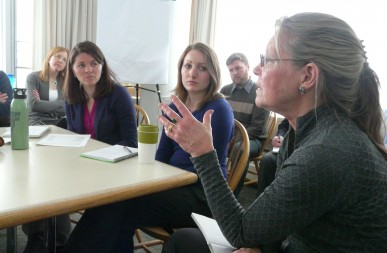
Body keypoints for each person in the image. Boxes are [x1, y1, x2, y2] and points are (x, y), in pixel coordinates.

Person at [158, 12, 387, 253]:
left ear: (307, 76)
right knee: (183, 240)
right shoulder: (302, 134)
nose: (256, 69)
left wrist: (202, 151)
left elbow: (240, 231)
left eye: (266, 60)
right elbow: (283, 222)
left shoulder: (327, 152)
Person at [62, 42, 234, 253]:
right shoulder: (174, 107)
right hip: (171, 185)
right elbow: (161, 158)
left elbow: (204, 169)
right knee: (115, 201)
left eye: (202, 68)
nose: (193, 73)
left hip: (203, 195)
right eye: (187, 66)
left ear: (213, 73)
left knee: (117, 204)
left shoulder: (218, 109)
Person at [64, 40, 137, 147]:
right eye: (81, 65)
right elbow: (73, 136)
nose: (88, 70)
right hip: (81, 157)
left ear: (102, 67)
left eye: (94, 64)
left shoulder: (119, 94)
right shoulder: (70, 96)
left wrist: (100, 154)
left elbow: (131, 141)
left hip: (113, 159)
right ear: (73, 71)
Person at [220, 53, 269, 194]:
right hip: (229, 138)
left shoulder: (259, 91)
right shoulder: (224, 91)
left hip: (253, 139)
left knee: (239, 149)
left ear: (247, 67)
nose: (235, 73)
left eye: (238, 68)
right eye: (231, 70)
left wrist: (234, 140)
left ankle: (231, 195)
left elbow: (257, 128)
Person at [27, 46, 69, 128]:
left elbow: (68, 108)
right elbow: (34, 105)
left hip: (58, 120)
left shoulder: (66, 82)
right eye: (58, 56)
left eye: (64, 60)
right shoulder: (33, 77)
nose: (60, 61)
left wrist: (42, 103)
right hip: (37, 120)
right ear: (49, 58)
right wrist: (61, 103)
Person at [257, 118, 289, 196]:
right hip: (286, 146)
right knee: (267, 159)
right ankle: (260, 199)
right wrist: (279, 136)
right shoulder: (297, 108)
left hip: (304, 148)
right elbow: (284, 126)